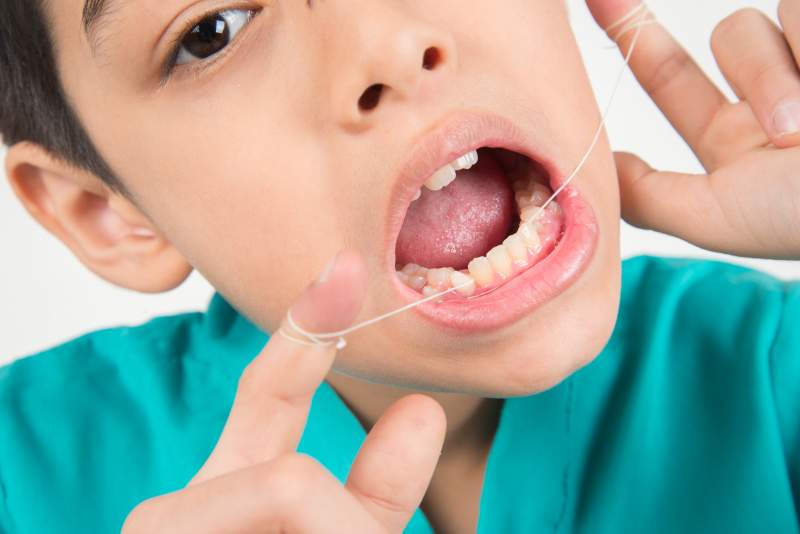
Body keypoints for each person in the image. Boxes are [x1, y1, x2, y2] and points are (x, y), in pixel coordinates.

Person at [0, 0, 797, 531]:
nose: (391, 43)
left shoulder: (773, 375)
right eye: (213, 29)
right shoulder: (21, 476)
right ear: (106, 212)